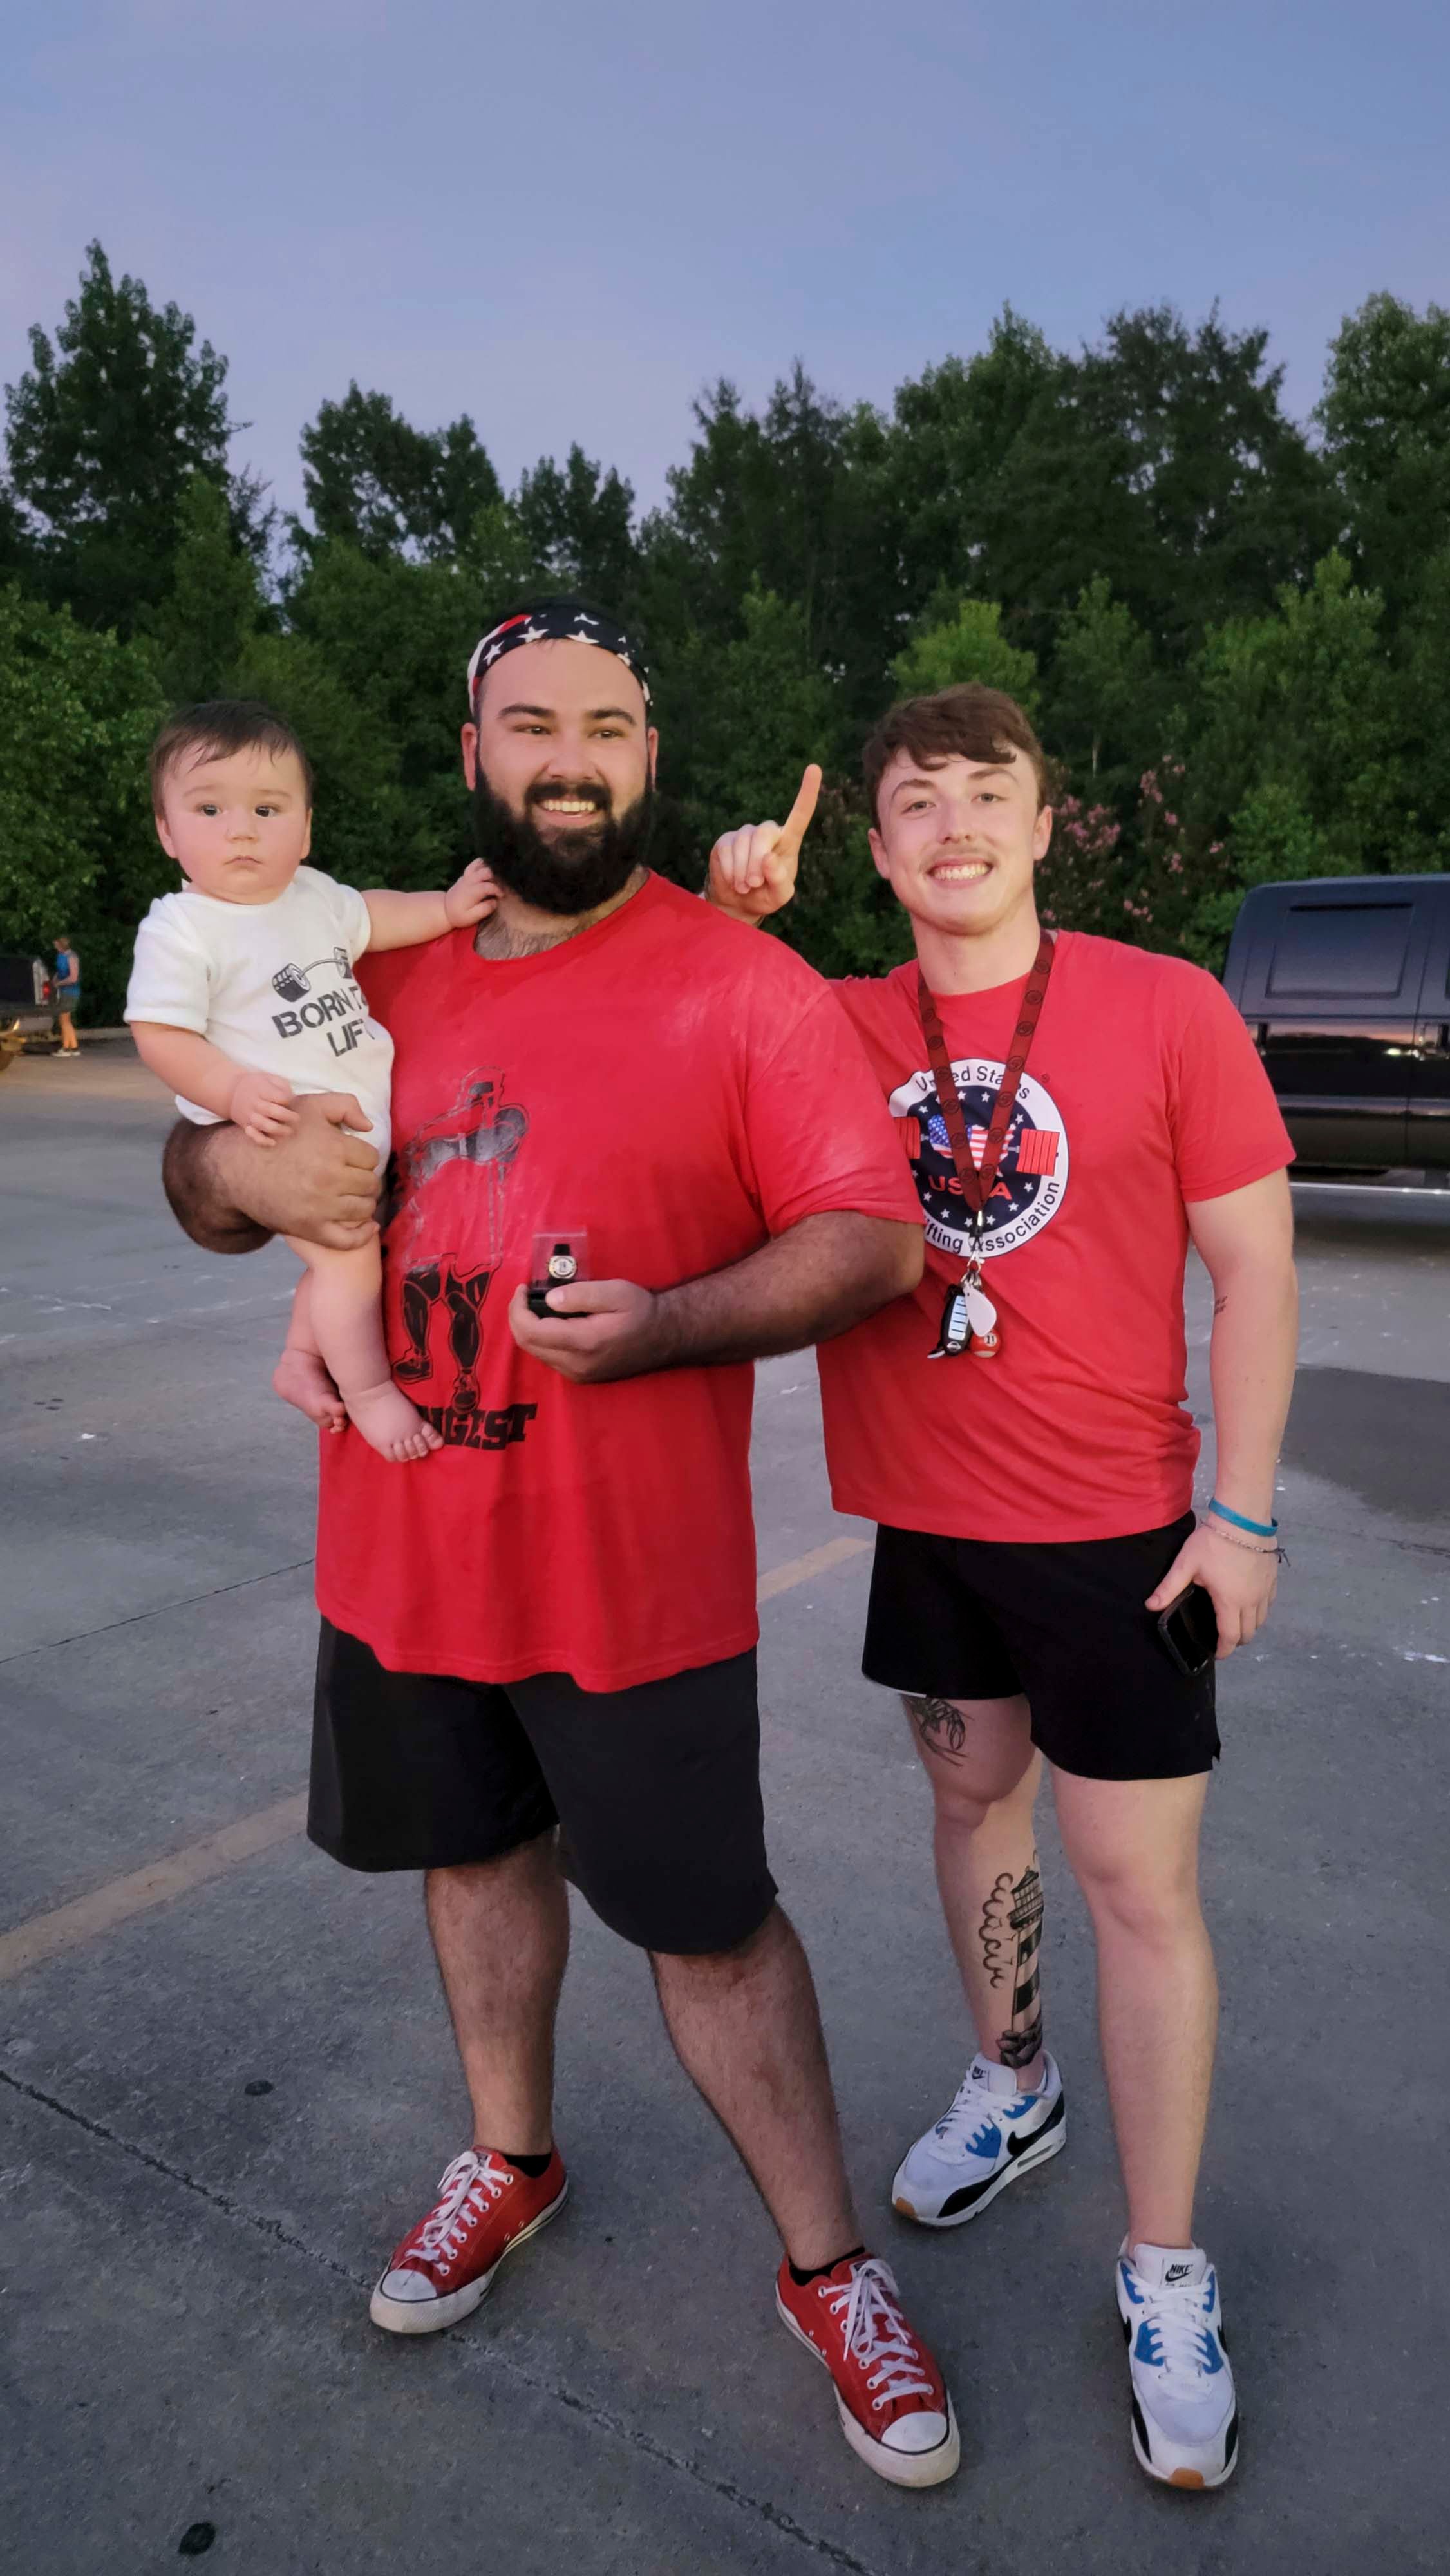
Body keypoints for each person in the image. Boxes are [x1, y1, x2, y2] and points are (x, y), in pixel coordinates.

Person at [158, 600, 962, 2491]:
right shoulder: (358, 963)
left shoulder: (736, 985)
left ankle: (827, 2267)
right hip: (405, 1563)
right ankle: (509, 2157)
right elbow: (201, 1159)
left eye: (609, 721)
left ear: (650, 761)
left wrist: (670, 1319)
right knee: (472, 1862)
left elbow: (872, 1235)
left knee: (710, 1931)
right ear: (472, 755)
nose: (572, 753)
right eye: (531, 721)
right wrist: (230, 1174)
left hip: (636, 1586)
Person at [707, 681, 1298, 2494]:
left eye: (987, 792)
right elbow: (679, 1062)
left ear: (1046, 826)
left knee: (1135, 1883)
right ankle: (1014, 2081)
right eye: (912, 799)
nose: (951, 821)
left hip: (1122, 1539)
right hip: (930, 1526)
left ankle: (1164, 2269)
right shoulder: (822, 1017)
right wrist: (726, 926)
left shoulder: (1165, 1005)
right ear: (871, 848)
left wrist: (1244, 1515)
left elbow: (1253, 1277)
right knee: (970, 1801)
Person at [126, 701, 494, 1463]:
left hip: (358, 1137)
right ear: (167, 832)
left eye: (268, 808)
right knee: (349, 1257)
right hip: (281, 1130)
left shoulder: (313, 898)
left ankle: (299, 1360)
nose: (242, 829)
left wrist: (448, 907)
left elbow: (374, 916)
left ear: (305, 828)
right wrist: (229, 1091)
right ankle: (368, 1393)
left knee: (350, 1258)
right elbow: (159, 1031)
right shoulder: (183, 927)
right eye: (209, 808)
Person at [52, 936, 81, 1056]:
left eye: (56, 945)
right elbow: (60, 971)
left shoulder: (71, 957)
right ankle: (73, 1048)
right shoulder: (62, 956)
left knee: (64, 1020)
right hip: (64, 991)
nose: (55, 947)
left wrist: (59, 983)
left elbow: (73, 978)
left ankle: (65, 1048)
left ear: (61, 945)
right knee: (66, 1020)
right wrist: (55, 979)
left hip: (70, 992)